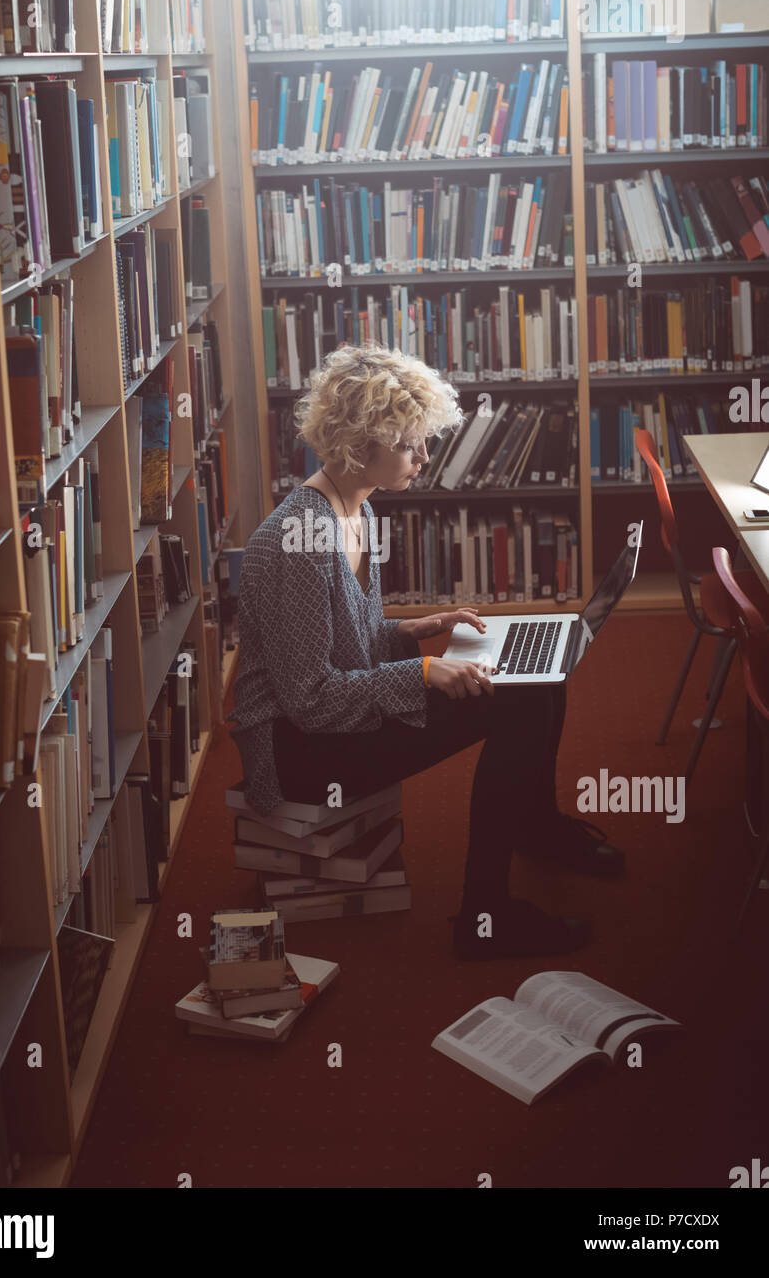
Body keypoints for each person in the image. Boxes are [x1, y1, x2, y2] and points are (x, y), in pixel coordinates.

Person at [230, 344, 623, 959]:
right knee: (517, 702)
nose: (425, 456)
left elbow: (347, 648)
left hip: (332, 717)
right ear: (363, 445)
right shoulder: (297, 540)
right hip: (299, 753)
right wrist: (422, 672)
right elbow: (310, 701)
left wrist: (412, 632)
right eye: (411, 443)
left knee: (544, 674)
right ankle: (484, 917)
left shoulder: (353, 510)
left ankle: (537, 827)